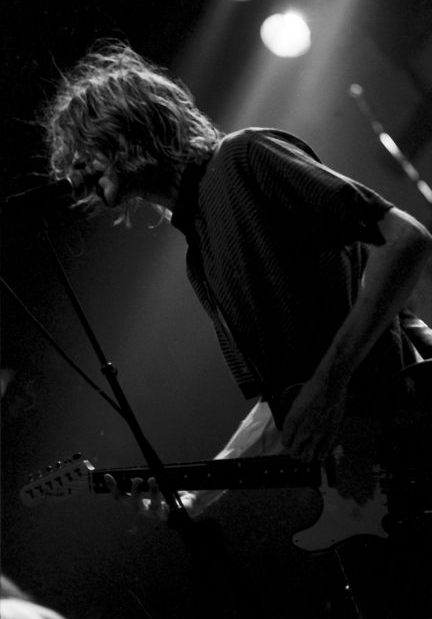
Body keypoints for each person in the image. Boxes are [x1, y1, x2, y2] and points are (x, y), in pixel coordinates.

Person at [44, 41, 432, 616]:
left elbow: (406, 240)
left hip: (413, 434)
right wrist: (199, 493)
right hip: (369, 489)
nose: (73, 176)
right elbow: (281, 407)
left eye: (81, 151)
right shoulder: (198, 252)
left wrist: (328, 388)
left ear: (126, 126)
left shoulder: (247, 159)